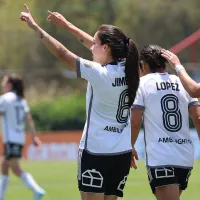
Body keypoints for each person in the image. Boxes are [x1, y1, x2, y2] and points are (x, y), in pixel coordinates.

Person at [20, 4, 140, 200]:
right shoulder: (130, 69)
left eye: (95, 43)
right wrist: (67, 26)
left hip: (96, 152)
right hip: (121, 153)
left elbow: (62, 54)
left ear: (106, 47)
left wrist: (35, 27)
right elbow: (95, 47)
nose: (91, 47)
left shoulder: (99, 73)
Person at [131, 44, 200, 200]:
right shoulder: (184, 82)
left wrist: (130, 145)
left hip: (161, 157)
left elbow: (135, 122)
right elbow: (198, 118)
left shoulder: (141, 84)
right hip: (185, 156)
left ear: (143, 65)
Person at [0, 74, 45, 200]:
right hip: (19, 139)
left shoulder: (5, 99)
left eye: (4, 82)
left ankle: (37, 190)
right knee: (5, 166)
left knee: (15, 168)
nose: (2, 85)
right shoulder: (21, 100)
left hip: (10, 139)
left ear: (9, 85)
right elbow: (29, 120)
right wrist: (34, 137)